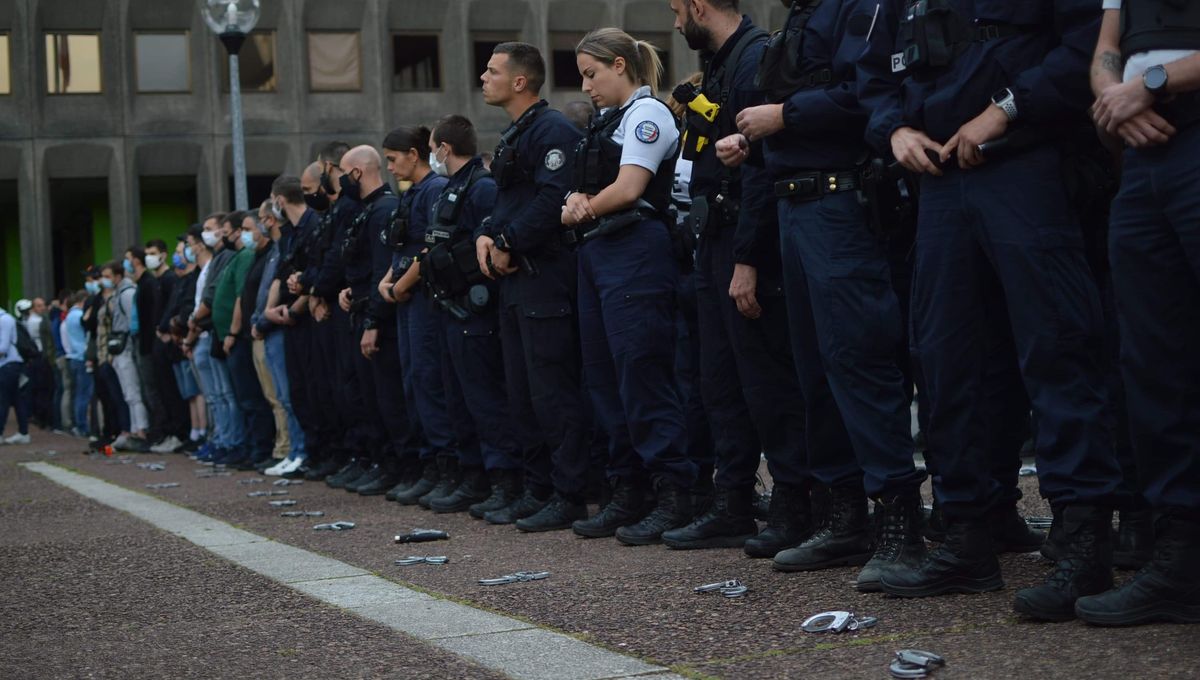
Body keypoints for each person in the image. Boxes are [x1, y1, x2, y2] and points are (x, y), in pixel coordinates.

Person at [862, 0, 1123, 622]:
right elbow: (876, 78)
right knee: (948, 363)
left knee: (1058, 351)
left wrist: (1004, 111)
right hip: (941, 183)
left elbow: (1084, 47)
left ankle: (1083, 545)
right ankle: (967, 539)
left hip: (1026, 167)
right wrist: (894, 129)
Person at [713, 0, 930, 588]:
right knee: (815, 372)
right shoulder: (799, 23)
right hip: (795, 206)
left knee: (858, 361)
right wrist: (753, 144)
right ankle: (844, 516)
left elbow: (871, 96)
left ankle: (897, 522)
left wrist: (784, 115)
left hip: (842, 205)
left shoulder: (857, 9)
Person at [659, 0, 812, 555]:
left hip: (743, 240)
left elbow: (758, 171)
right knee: (720, 383)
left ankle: (796, 505)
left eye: (678, 10)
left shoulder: (752, 60)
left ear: (701, 5)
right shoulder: (723, 64)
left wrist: (748, 258)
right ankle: (734, 504)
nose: (677, 23)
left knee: (766, 384)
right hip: (713, 238)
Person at [1074, 0, 1200, 626]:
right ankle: (1180, 561)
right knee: (1153, 365)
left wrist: (1148, 86)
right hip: (1145, 155)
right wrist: (1114, 99)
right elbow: (1106, 48)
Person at [560, 27, 698, 544]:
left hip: (635, 250)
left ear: (621, 65)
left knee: (642, 373)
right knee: (604, 378)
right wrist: (576, 203)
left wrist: (583, 207)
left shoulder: (648, 115)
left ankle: (673, 492)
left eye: (592, 74)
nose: (587, 86)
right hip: (598, 251)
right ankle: (628, 490)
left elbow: (629, 187)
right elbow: (594, 188)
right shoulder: (605, 121)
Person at [476, 42, 590, 528]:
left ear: (519, 81)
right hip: (517, 278)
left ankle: (569, 492)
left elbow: (552, 200)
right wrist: (486, 232)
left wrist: (505, 239)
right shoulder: (516, 132)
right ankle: (538, 486)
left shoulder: (552, 129)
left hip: (544, 275)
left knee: (552, 389)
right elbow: (508, 199)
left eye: (492, 70)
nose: (483, 77)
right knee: (521, 390)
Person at [330, 144, 410, 495]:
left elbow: (383, 271)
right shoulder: (368, 210)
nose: (341, 182)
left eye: (344, 174)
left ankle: (399, 465)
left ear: (357, 173)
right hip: (362, 309)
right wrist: (349, 290)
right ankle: (381, 461)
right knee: (366, 397)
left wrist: (373, 322)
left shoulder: (384, 209)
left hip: (379, 319)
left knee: (388, 398)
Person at [214, 212, 274, 469]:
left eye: (245, 229)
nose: (236, 235)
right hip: (240, 336)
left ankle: (259, 448)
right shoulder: (243, 257)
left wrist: (233, 331)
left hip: (242, 336)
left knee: (253, 397)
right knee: (241, 397)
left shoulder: (248, 256)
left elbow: (241, 297)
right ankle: (252, 447)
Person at [252, 199, 307, 476]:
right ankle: (293, 450)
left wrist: (265, 316)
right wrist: (261, 317)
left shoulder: (283, 244)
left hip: (281, 325)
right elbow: (271, 285)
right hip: (270, 323)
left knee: (288, 396)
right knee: (281, 397)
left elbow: (278, 283)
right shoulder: (277, 247)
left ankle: (298, 451)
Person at [145, 238, 189, 454]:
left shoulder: (171, 279)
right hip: (160, 339)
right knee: (164, 390)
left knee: (174, 391)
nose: (149, 257)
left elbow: (174, 307)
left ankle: (180, 433)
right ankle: (172, 432)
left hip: (170, 339)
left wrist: (166, 329)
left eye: (152, 253)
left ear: (163, 254)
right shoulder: (159, 281)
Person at [101, 260, 149, 451]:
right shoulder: (119, 294)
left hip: (126, 349)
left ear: (118, 276)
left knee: (133, 392)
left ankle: (141, 430)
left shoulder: (126, 294)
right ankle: (135, 428)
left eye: (108, 276)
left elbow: (132, 322)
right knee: (128, 394)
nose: (105, 280)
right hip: (121, 350)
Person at [0, 305, 31, 445]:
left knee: (4, 400)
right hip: (10, 364)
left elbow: (3, 347)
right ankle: (23, 432)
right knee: (17, 399)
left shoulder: (5, 320)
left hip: (9, 364)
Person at [62, 291, 92, 439]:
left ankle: (79, 424)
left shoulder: (69, 316)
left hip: (74, 356)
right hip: (81, 356)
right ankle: (82, 425)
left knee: (79, 393)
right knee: (84, 393)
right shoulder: (77, 316)